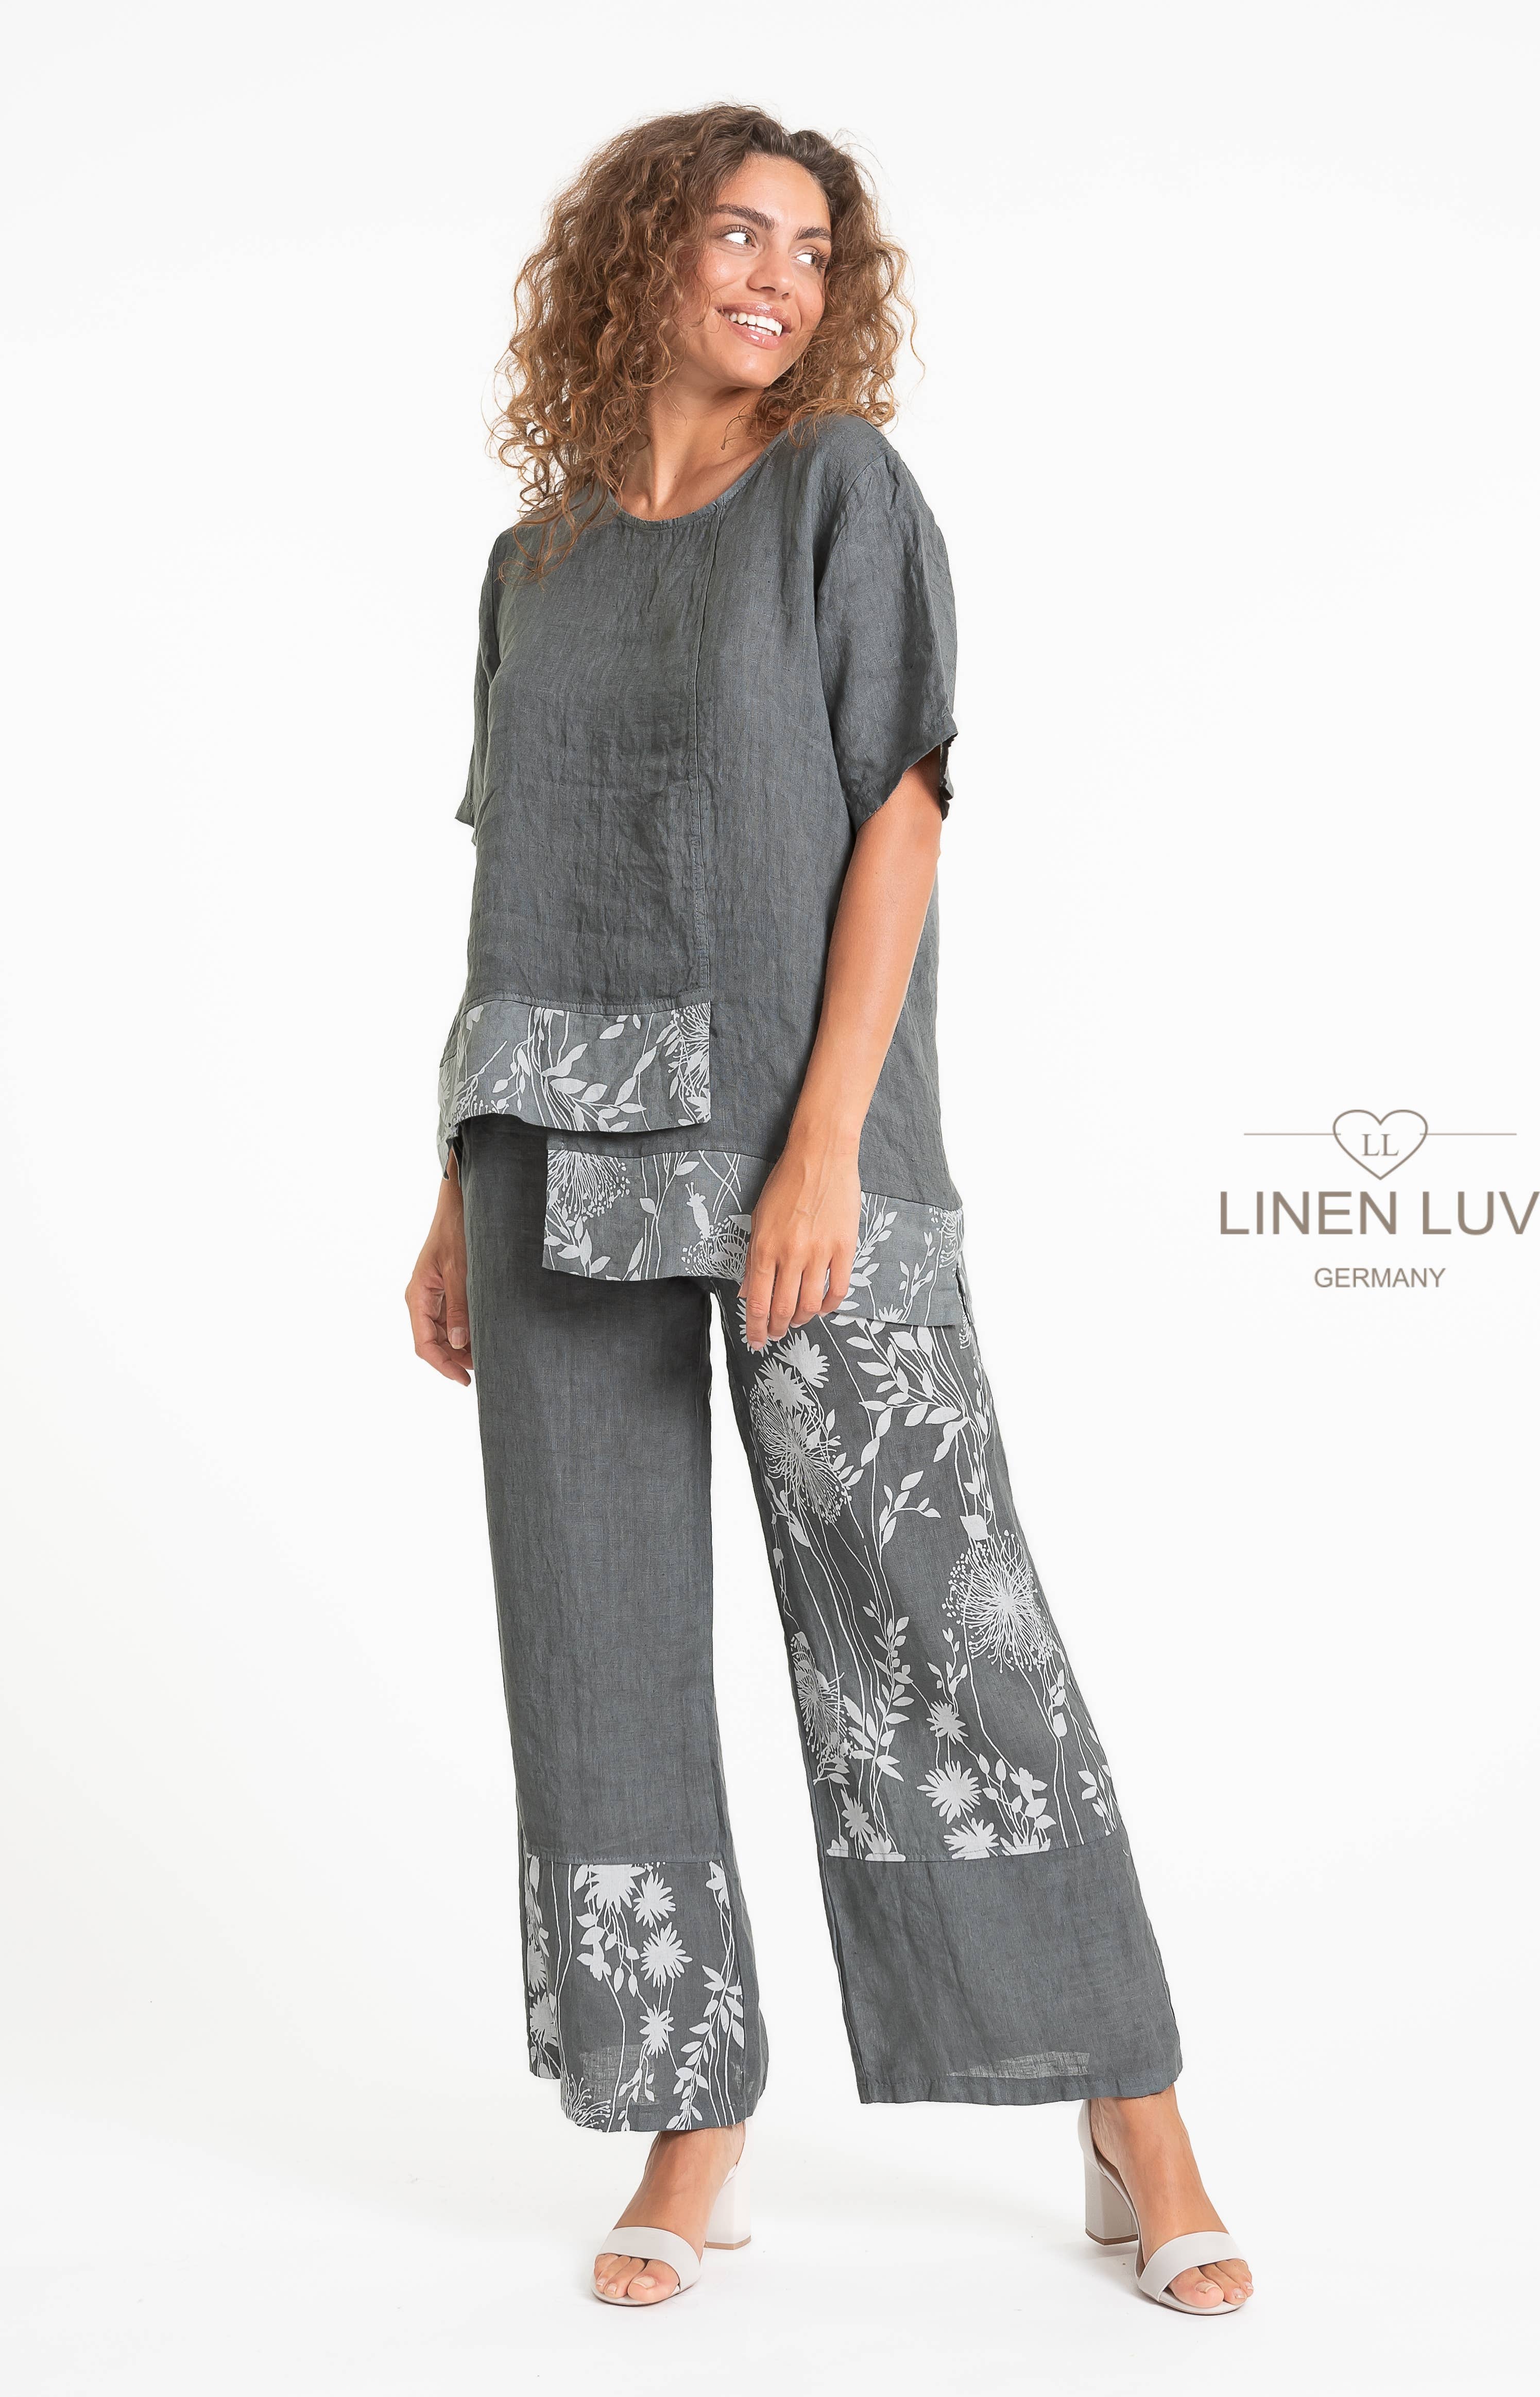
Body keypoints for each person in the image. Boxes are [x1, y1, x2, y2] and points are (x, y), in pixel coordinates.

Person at [406, 103, 1253, 2320]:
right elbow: (509, 882)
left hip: (807, 1141)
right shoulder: (533, 558)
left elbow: (902, 812)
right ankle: (691, 2122)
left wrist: (824, 1146)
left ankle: (1132, 2104)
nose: (778, 274)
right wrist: (449, 1187)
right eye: (734, 231)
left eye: (811, 246)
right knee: (593, 1633)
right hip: (543, 1141)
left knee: (938, 1620)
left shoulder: (840, 491)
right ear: (640, 258)